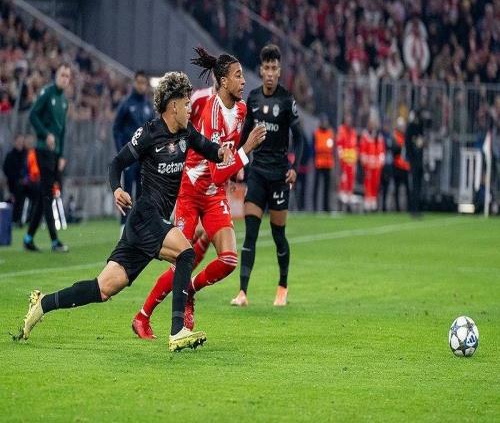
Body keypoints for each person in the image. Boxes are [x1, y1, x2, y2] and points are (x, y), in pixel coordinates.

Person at [14, 71, 233, 352]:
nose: (190, 108)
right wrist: (117, 189)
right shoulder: (149, 133)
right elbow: (116, 164)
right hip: (145, 216)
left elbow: (209, 149)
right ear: (173, 105)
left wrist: (224, 152)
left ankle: (42, 304)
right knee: (186, 253)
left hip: (145, 226)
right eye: (187, 102)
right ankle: (178, 330)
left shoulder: (186, 133)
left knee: (102, 288)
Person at [132, 48, 266, 339]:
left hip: (214, 193)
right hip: (191, 192)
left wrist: (236, 165)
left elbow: (226, 158)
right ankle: (142, 316)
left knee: (228, 260)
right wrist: (246, 152)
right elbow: (218, 169)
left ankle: (190, 290)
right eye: (238, 76)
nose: (244, 81)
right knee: (182, 259)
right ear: (223, 81)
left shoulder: (241, 110)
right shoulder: (210, 111)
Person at [231, 44, 304, 307]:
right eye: (267, 68)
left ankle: (282, 287)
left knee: (277, 235)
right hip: (258, 174)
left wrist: (294, 168)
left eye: (274, 68)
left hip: (279, 177)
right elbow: (243, 136)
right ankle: (242, 292)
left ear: (279, 71)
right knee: (250, 233)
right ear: (261, 70)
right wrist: (237, 164)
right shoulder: (252, 99)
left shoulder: (286, 100)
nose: (270, 73)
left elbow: (301, 138)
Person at [23, 63, 71, 252]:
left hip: (55, 154)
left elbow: (63, 130)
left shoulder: (64, 101)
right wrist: (45, 135)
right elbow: (33, 115)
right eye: (62, 75)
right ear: (56, 76)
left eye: (67, 76)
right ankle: (54, 241)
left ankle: (28, 238)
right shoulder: (47, 93)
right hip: (43, 150)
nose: (64, 79)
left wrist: (62, 154)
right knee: (48, 194)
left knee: (46, 195)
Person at [112, 70, 154, 228]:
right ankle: (124, 228)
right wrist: (121, 152)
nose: (141, 86)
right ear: (134, 83)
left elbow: (153, 131)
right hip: (130, 157)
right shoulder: (126, 104)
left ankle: (140, 229)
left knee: (143, 195)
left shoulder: (148, 106)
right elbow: (116, 129)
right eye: (139, 82)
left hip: (144, 158)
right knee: (127, 192)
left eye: (144, 83)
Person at [360, 114, 385, 212]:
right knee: (368, 184)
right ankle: (368, 202)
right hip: (368, 165)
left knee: (375, 184)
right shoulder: (365, 136)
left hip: (376, 165)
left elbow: (381, 150)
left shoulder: (378, 136)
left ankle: (373, 202)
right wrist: (366, 160)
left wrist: (380, 160)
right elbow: (363, 150)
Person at [2, 133, 27, 226]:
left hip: (26, 183)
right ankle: (15, 219)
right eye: (18, 141)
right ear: (15, 142)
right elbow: (6, 170)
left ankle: (30, 218)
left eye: (22, 141)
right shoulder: (10, 156)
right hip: (13, 183)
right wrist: (17, 178)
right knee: (18, 192)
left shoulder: (26, 154)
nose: (20, 143)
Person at [313, 114, 335, 212]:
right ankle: (315, 208)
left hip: (328, 163)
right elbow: (314, 148)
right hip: (318, 163)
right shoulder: (316, 133)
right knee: (316, 186)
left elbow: (332, 149)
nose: (324, 123)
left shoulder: (330, 133)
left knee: (327, 187)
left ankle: (326, 207)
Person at [336, 113, 358, 211]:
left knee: (350, 183)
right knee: (343, 183)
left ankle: (349, 206)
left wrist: (354, 160)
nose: (349, 121)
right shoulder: (341, 130)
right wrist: (342, 159)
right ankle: (341, 206)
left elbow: (355, 147)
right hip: (344, 163)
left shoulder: (353, 132)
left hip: (351, 163)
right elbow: (339, 147)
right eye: (347, 119)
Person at [405, 109, 425, 216]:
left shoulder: (419, 128)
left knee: (418, 186)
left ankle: (417, 208)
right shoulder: (411, 128)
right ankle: (413, 209)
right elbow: (409, 144)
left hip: (419, 160)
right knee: (414, 185)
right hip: (414, 161)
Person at [392, 117, 410, 212]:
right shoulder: (395, 136)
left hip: (405, 166)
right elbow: (394, 150)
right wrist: (399, 147)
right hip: (397, 165)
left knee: (407, 188)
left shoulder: (405, 137)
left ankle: (409, 207)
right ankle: (397, 208)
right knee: (397, 187)